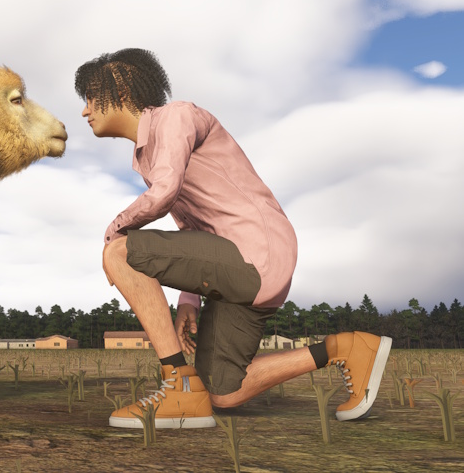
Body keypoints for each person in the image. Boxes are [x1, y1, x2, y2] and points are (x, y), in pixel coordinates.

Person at [76, 48, 391, 429]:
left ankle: (178, 384)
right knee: (225, 390)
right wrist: (189, 300)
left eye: (91, 98)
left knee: (119, 252)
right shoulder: (146, 157)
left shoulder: (175, 117)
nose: (85, 110)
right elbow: (191, 226)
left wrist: (116, 227)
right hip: (247, 268)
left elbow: (163, 194)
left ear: (121, 90)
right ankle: (348, 348)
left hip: (253, 255)